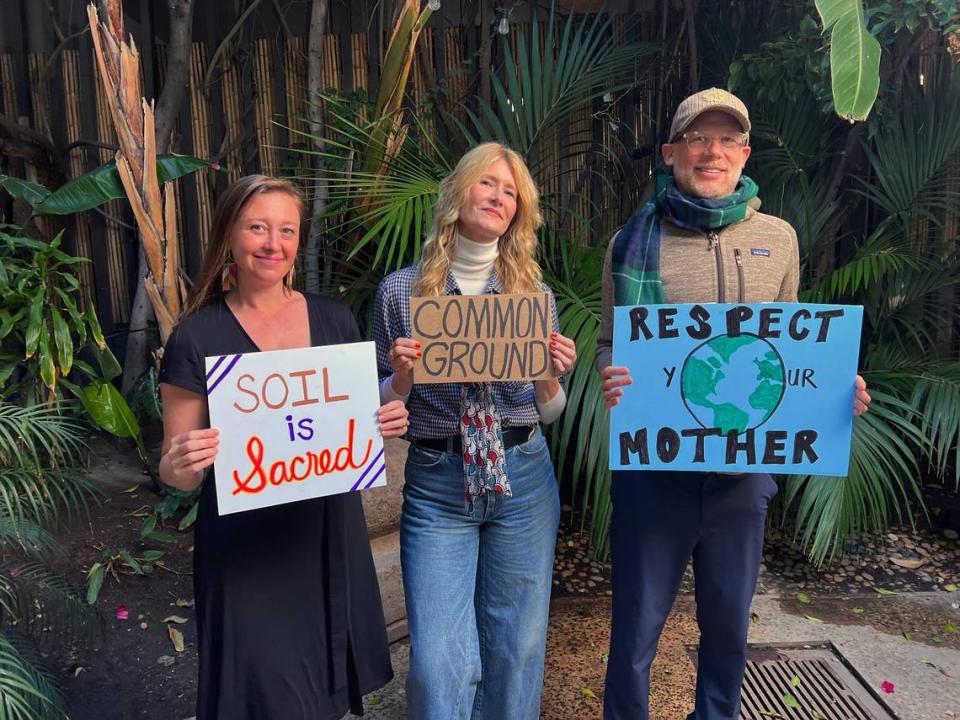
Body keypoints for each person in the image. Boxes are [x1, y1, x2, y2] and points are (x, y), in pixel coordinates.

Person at [596, 88, 872, 720]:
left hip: (742, 479)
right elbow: (613, 340)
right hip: (652, 475)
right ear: (671, 152)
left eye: (726, 140)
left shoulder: (779, 238)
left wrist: (835, 388)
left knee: (728, 632)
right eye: (698, 138)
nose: (711, 151)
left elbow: (791, 348)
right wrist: (612, 373)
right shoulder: (630, 242)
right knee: (635, 634)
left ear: (745, 154)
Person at [157, 175, 409, 720]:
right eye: (257, 228)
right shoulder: (195, 337)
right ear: (230, 235)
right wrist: (181, 464)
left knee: (321, 696)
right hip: (246, 551)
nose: (273, 243)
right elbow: (177, 472)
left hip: (324, 536)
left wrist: (384, 416)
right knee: (261, 695)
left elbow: (359, 418)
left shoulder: (335, 320)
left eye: (286, 230)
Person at [372, 142, 577, 719]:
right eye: (489, 183)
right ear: (459, 192)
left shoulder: (532, 297)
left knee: (518, 647)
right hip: (439, 479)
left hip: (523, 475)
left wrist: (549, 374)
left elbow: (550, 410)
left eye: (511, 192)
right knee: (438, 660)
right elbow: (380, 403)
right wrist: (403, 376)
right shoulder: (401, 292)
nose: (499, 198)